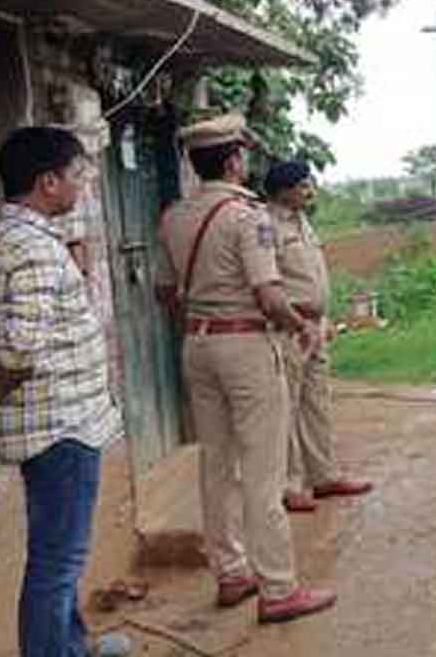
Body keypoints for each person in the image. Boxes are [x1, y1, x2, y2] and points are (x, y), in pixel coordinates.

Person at [156, 114, 336, 623]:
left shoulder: (173, 216)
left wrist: (202, 316)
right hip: (247, 346)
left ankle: (231, 572)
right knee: (263, 467)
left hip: (197, 344)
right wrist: (299, 325)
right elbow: (268, 292)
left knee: (216, 463)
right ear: (235, 160)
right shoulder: (246, 216)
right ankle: (278, 588)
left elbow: (164, 293)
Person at [0, 127, 122, 657]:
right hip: (59, 426)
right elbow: (21, 348)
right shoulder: (32, 248)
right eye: (79, 176)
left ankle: (71, 646)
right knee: (57, 563)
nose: (83, 187)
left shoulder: (20, 237)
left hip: (55, 422)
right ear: (48, 182)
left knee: (58, 556)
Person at [264, 162, 373, 513]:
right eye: (303, 186)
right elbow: (270, 282)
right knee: (287, 408)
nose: (310, 192)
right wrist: (297, 322)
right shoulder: (266, 226)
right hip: (288, 328)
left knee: (316, 403)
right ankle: (291, 483)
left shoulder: (302, 223)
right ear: (283, 190)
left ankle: (324, 475)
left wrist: (322, 319)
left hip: (313, 326)